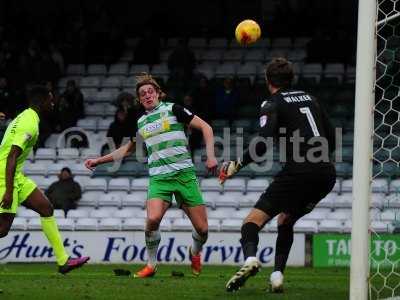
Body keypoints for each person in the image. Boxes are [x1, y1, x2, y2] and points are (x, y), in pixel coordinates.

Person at [221, 58, 336, 293]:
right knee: (286, 219)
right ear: (291, 78)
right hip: (326, 175)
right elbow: (332, 137)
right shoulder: (310, 98)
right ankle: (276, 276)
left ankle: (251, 259)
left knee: (252, 222)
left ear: (267, 80)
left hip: (297, 173)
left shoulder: (272, 103)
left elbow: (262, 143)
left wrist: (237, 164)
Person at [84, 74, 218, 277]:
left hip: (184, 175)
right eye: (142, 94)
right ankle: (151, 264)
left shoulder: (174, 109)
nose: (147, 95)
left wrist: (211, 157)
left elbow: (206, 128)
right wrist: (98, 161)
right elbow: (127, 150)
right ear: (139, 99)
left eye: (150, 91)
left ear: (158, 93)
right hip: (159, 178)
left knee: (203, 230)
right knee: (153, 219)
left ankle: (194, 251)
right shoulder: (142, 122)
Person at [0, 85, 90, 273]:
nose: (53, 103)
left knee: (46, 208)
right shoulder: (29, 123)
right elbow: (11, 156)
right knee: (2, 229)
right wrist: (9, 190)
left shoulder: (26, 116)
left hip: (14, 174)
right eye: (50, 100)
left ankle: (63, 261)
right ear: (41, 102)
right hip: (4, 175)